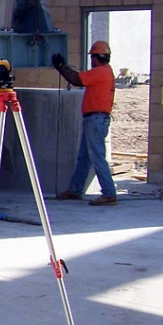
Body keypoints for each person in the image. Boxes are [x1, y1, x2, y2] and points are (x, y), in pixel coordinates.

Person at [52, 40, 117, 205]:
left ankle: (109, 193)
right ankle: (75, 190)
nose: (91, 60)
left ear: (96, 57)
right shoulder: (105, 72)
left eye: (92, 57)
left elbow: (76, 79)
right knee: (84, 157)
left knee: (97, 157)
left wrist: (61, 67)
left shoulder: (100, 72)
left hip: (96, 120)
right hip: (94, 120)